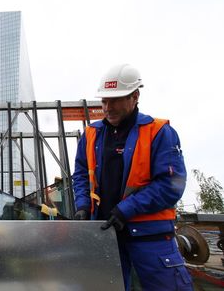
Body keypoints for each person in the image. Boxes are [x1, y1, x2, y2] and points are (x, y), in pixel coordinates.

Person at [72, 64, 193, 290]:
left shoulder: (158, 132)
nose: (108, 107)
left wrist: (126, 210)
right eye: (104, 101)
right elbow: (80, 174)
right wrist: (82, 205)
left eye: (115, 100)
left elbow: (171, 185)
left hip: (151, 239)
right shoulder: (91, 134)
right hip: (106, 236)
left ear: (135, 96)